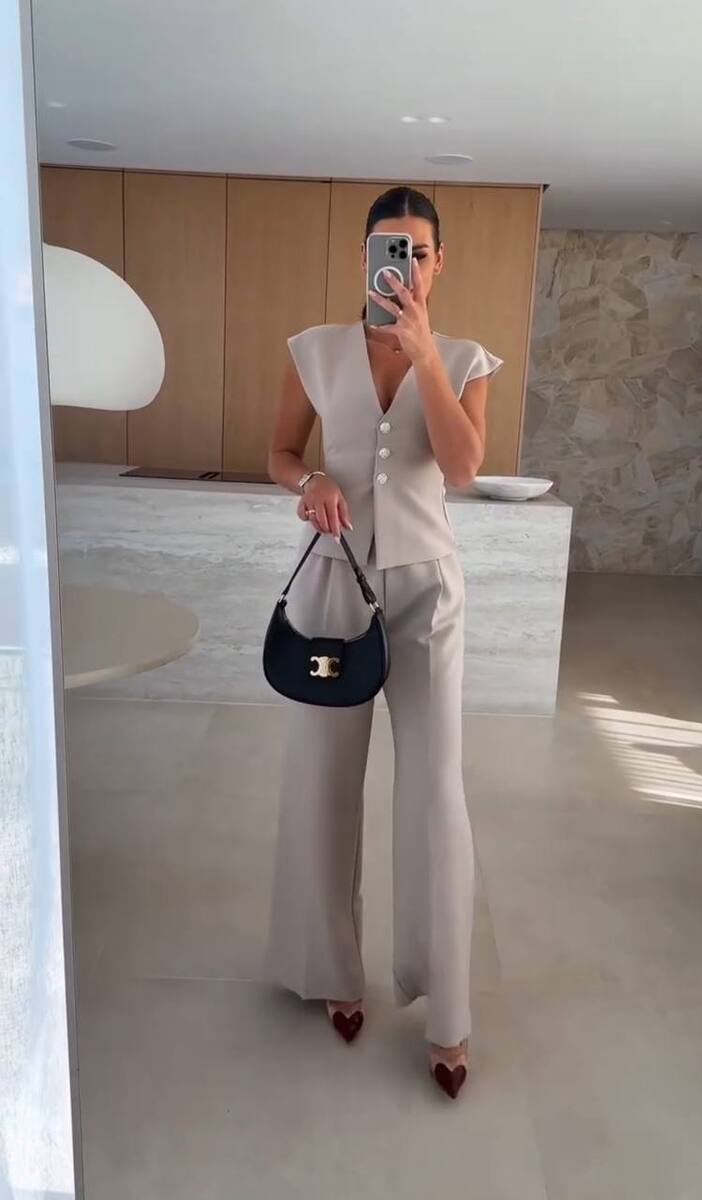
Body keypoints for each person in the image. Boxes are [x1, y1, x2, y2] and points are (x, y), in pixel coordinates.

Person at [260, 186, 503, 1099]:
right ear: (362, 257)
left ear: (438, 263)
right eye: (387, 248)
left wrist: (425, 353)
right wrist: (311, 479)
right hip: (333, 587)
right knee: (324, 781)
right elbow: (280, 453)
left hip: (428, 594)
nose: (403, 263)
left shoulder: (467, 359)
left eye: (418, 250)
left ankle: (446, 1011)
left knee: (434, 791)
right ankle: (331, 970)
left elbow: (464, 467)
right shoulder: (313, 351)